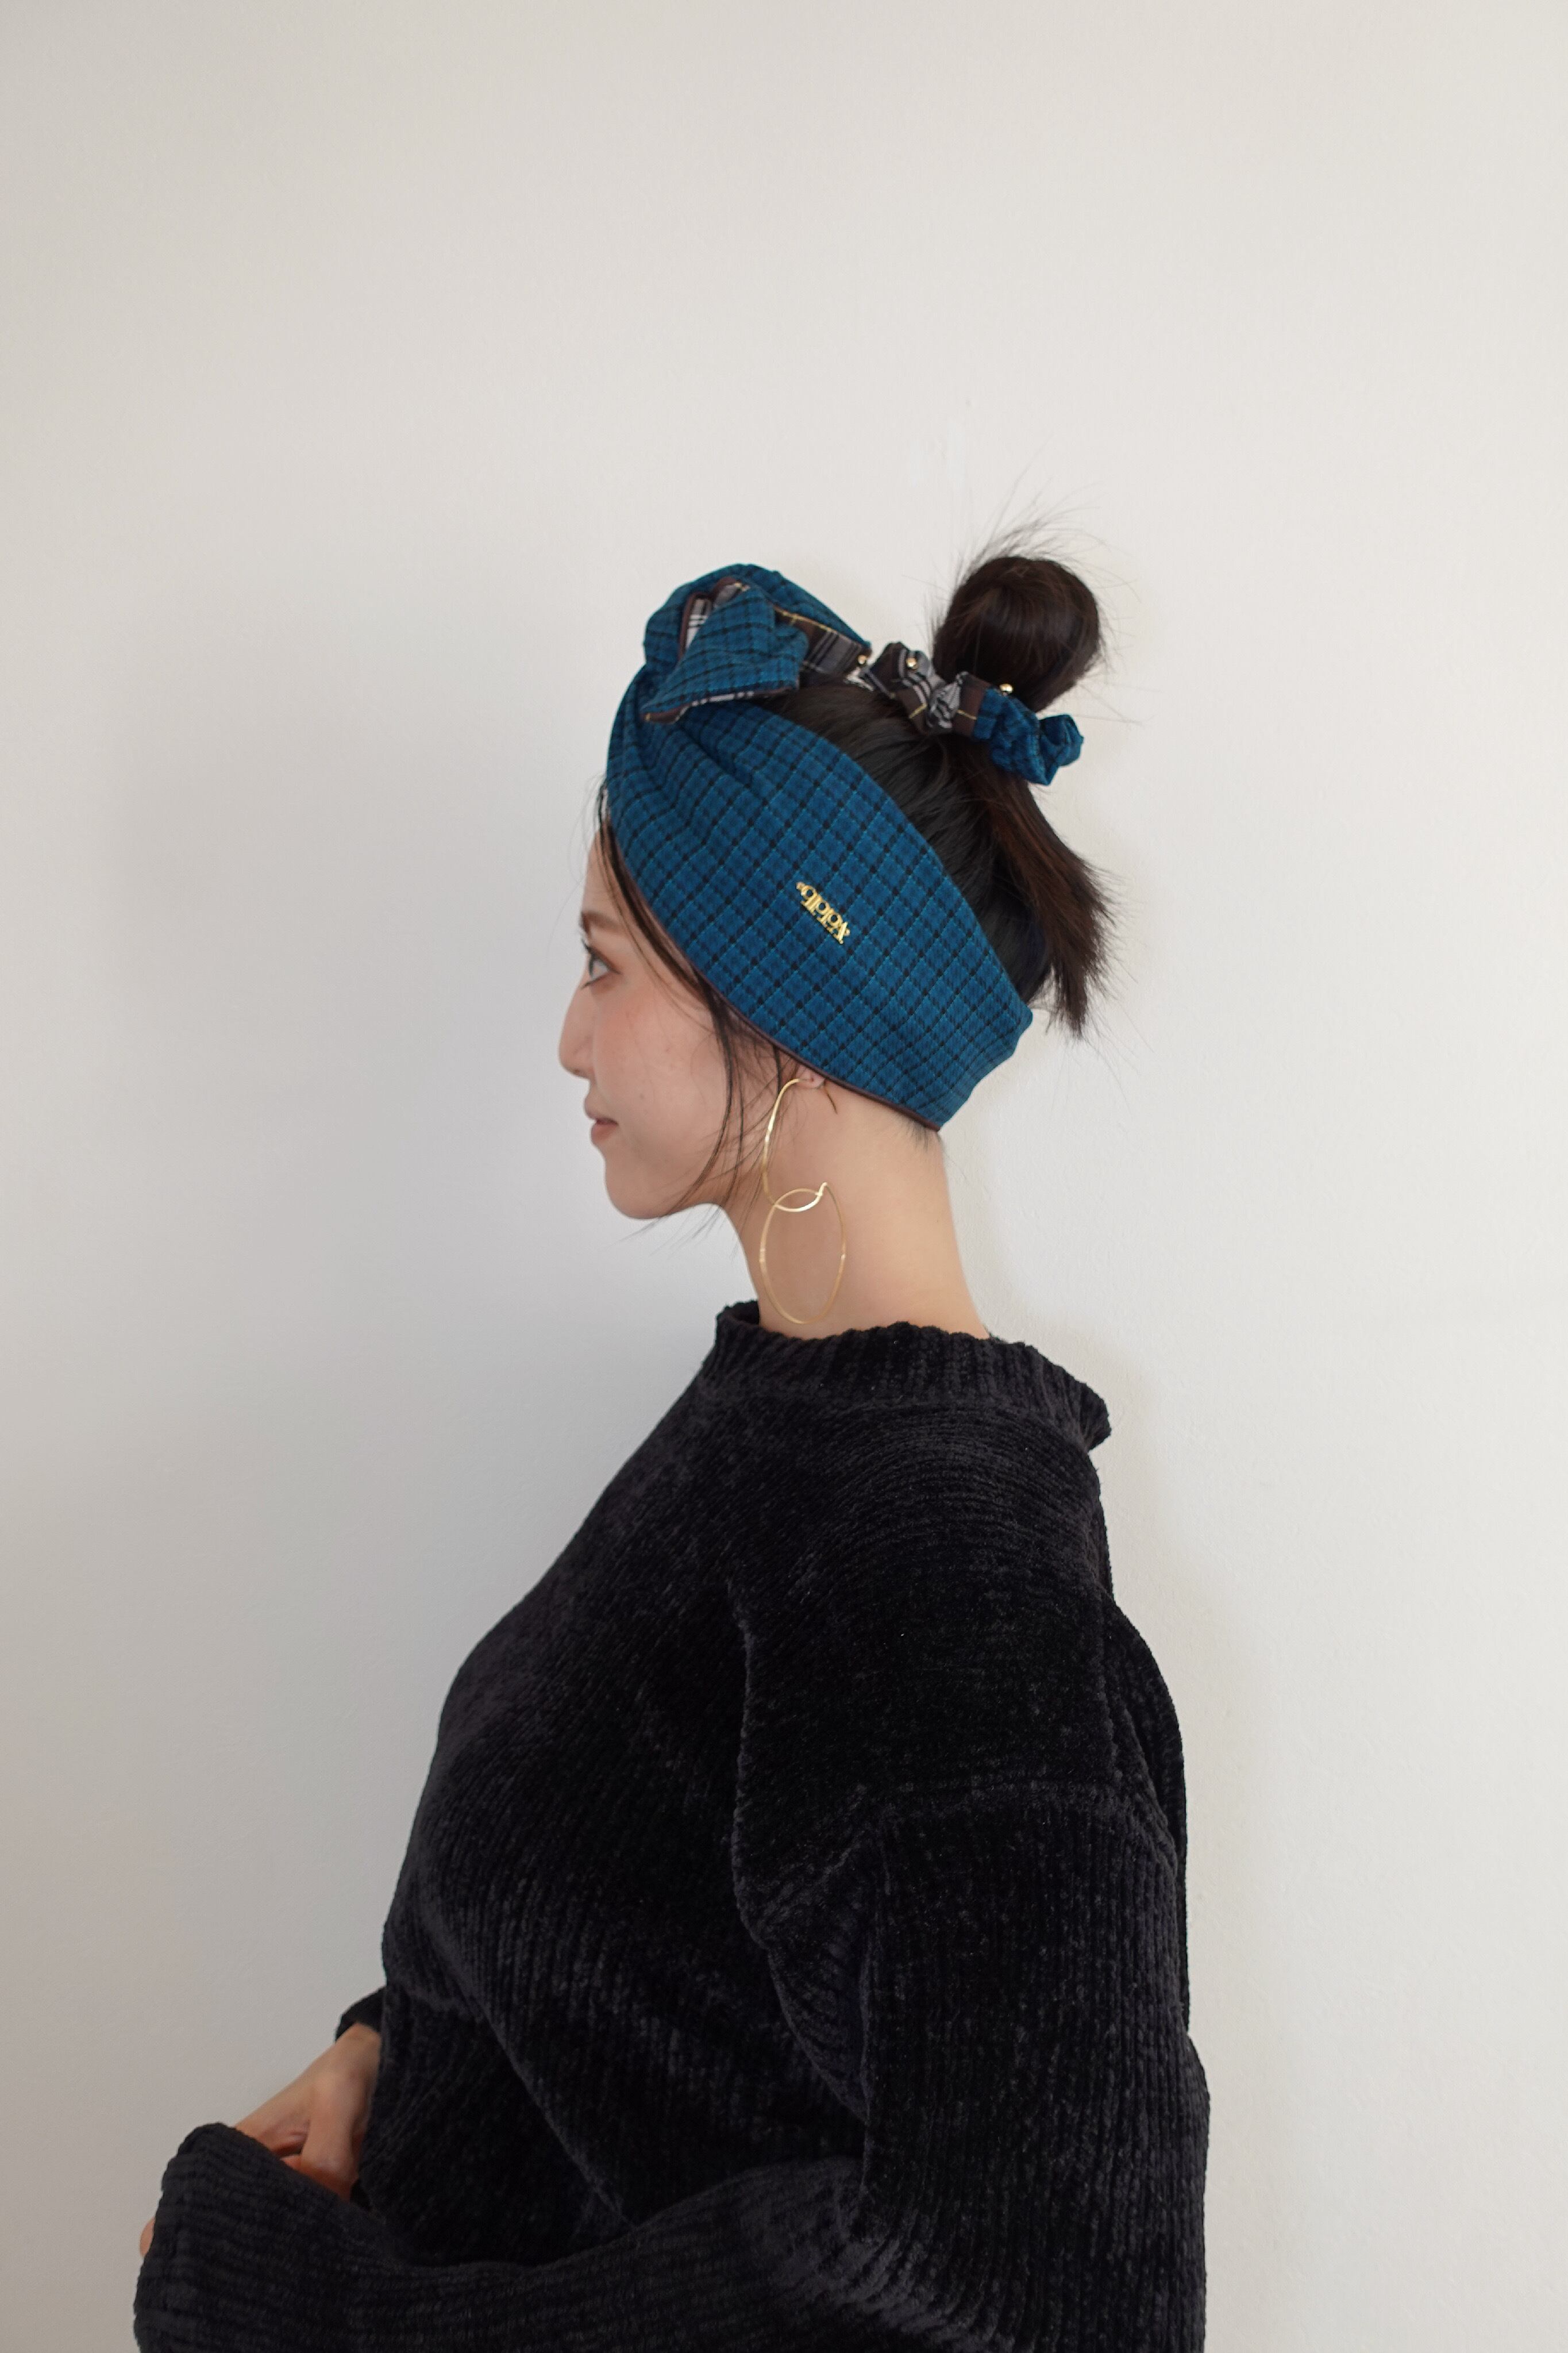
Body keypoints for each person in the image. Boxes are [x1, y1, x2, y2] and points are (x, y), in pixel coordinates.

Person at [135, 552, 1209, 2349]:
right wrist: (413, 2050)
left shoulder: (940, 1561)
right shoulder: (780, 1417)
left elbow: (1042, 2289)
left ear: (780, 1001)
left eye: (603, 962)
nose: (570, 1034)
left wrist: (313, 2311)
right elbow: (656, 1936)